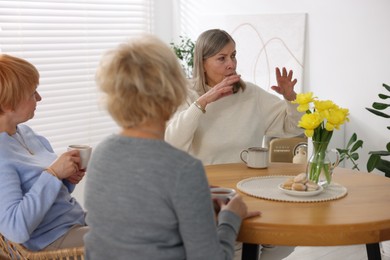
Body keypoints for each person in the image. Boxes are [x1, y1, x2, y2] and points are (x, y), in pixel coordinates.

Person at [83, 34, 260, 260]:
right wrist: (231, 218)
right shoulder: (184, 169)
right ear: (173, 92)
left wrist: (194, 201)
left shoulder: (101, 155)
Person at [165, 29, 304, 166]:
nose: (231, 64)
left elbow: (295, 127)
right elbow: (172, 144)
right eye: (222, 58)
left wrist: (291, 98)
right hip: (203, 184)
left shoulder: (252, 94)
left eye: (233, 55)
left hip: (245, 183)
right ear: (203, 64)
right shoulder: (186, 94)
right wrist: (203, 102)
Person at [0, 54, 88, 251]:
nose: (39, 98)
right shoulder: (1, 157)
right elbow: (15, 229)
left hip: (74, 221)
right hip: (53, 238)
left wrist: (66, 179)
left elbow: (44, 191)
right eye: (32, 93)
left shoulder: (26, 134)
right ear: (7, 104)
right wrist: (53, 174)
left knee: (142, 221)